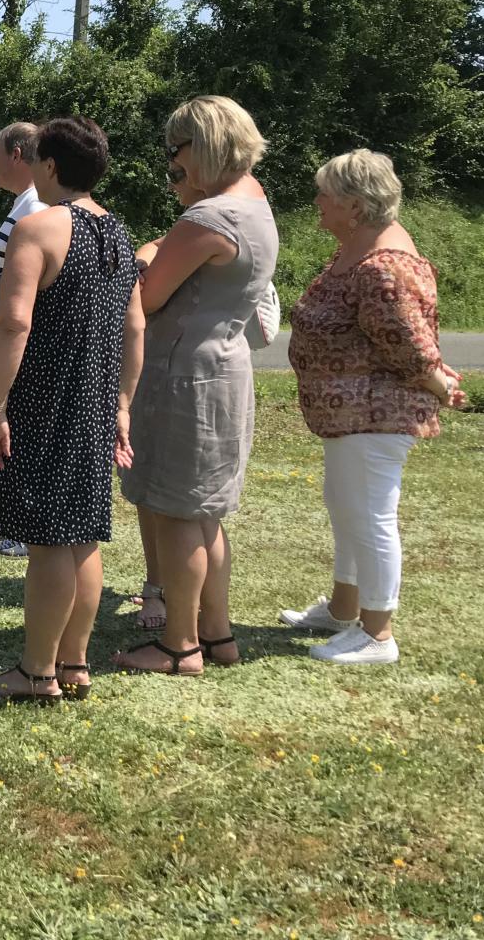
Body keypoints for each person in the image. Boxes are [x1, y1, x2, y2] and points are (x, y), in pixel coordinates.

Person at [0, 117, 143, 704]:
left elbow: (14, 321)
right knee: (83, 536)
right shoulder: (119, 234)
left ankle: (36, 673)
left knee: (47, 541)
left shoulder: (38, 229)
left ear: (53, 168)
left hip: (43, 395)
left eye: (38, 159)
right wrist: (122, 403)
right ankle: (74, 662)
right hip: (92, 397)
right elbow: (134, 326)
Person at [113, 96, 278, 676]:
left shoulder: (207, 218)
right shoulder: (253, 203)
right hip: (225, 368)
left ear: (201, 145)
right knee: (206, 513)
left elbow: (148, 294)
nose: (170, 165)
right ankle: (217, 633)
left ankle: (177, 645)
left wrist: (141, 257)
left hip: (185, 377)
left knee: (177, 511)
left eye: (174, 152)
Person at [281, 150, 467, 665]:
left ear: (356, 206)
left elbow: (407, 342)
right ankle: (344, 612)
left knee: (369, 515)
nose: (316, 201)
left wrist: (440, 385)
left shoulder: (384, 265)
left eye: (325, 194)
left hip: (375, 413)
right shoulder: (355, 250)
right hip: (351, 416)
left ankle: (377, 634)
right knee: (348, 508)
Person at [0, 121, 51, 557]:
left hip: (16, 342)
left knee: (11, 426)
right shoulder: (26, 202)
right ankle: (14, 526)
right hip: (1, 339)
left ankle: (21, 531)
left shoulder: (35, 206)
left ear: (17, 155)